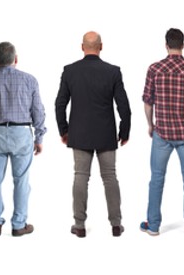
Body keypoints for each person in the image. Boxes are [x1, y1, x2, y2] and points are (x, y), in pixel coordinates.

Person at [55, 31, 132, 238]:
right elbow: (124, 106)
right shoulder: (113, 72)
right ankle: (116, 224)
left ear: (82, 47)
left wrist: (64, 130)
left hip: (79, 134)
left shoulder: (70, 71)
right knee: (110, 177)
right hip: (106, 134)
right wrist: (124, 132)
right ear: (101, 46)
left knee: (81, 176)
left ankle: (79, 225)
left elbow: (60, 103)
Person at [138, 28, 184, 236]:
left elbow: (148, 102)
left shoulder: (155, 69)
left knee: (156, 178)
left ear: (166, 45)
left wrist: (151, 124)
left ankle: (154, 225)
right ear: (183, 45)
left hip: (163, 132)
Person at [0, 41, 43, 238]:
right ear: (16, 59)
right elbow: (38, 111)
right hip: (21, 133)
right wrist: (39, 136)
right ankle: (19, 225)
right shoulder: (30, 80)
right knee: (21, 181)